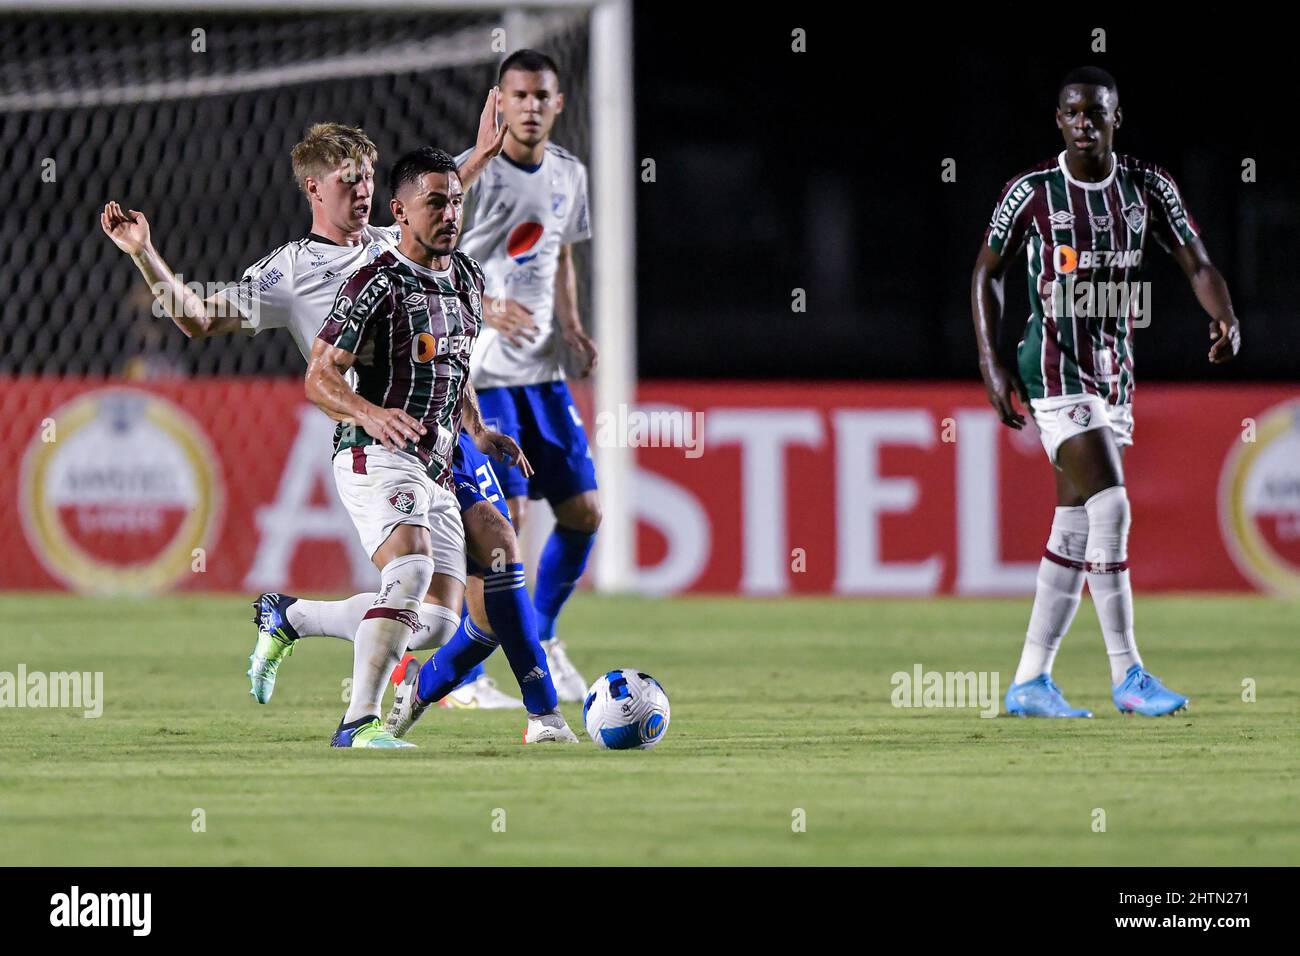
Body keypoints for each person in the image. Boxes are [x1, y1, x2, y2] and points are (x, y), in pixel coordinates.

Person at [970, 66, 1241, 718]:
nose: (1084, 123)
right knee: (1112, 507)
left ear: (1118, 118)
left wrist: (1225, 314)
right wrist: (991, 360)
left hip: (1113, 374)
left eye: (1096, 112)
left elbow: (1196, 262)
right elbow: (987, 271)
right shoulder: (1031, 192)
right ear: (1058, 121)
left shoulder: (1148, 187)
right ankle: (1130, 674)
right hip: (1052, 371)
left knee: (1072, 526)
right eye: (1072, 113)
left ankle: (1031, 680)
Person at [450, 49, 600, 702]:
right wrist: (484, 306)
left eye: (543, 96)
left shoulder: (570, 173)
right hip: (483, 378)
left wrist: (569, 325)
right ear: (500, 103)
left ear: (557, 104)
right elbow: (425, 259)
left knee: (585, 514)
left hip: (542, 376)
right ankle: (471, 675)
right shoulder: (470, 178)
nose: (532, 107)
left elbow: (560, 253)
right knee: (501, 525)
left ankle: (540, 634)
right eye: (520, 96)